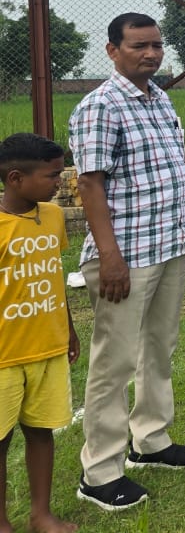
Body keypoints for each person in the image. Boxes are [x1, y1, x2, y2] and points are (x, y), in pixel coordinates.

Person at [68, 12, 185, 512]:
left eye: (156, 45)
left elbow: (168, 168)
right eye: (139, 46)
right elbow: (89, 183)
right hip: (126, 255)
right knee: (114, 361)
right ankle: (100, 472)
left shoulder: (158, 99)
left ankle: (150, 440)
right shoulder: (101, 106)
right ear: (113, 50)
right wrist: (109, 255)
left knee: (158, 347)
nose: (151, 54)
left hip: (169, 244)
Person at [0, 134, 80, 533]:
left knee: (41, 431)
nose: (59, 183)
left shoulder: (52, 216)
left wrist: (69, 329)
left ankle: (41, 514)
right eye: (51, 175)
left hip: (47, 347)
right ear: (16, 178)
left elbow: (54, 275)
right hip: (5, 357)